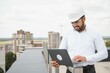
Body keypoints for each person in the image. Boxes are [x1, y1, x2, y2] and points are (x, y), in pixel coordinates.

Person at [51, 7, 108, 73]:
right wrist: (57, 62)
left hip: (89, 70)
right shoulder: (67, 34)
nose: (74, 25)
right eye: (72, 22)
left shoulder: (95, 33)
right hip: (70, 70)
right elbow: (60, 53)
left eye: (76, 22)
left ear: (84, 19)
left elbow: (104, 53)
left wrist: (85, 59)